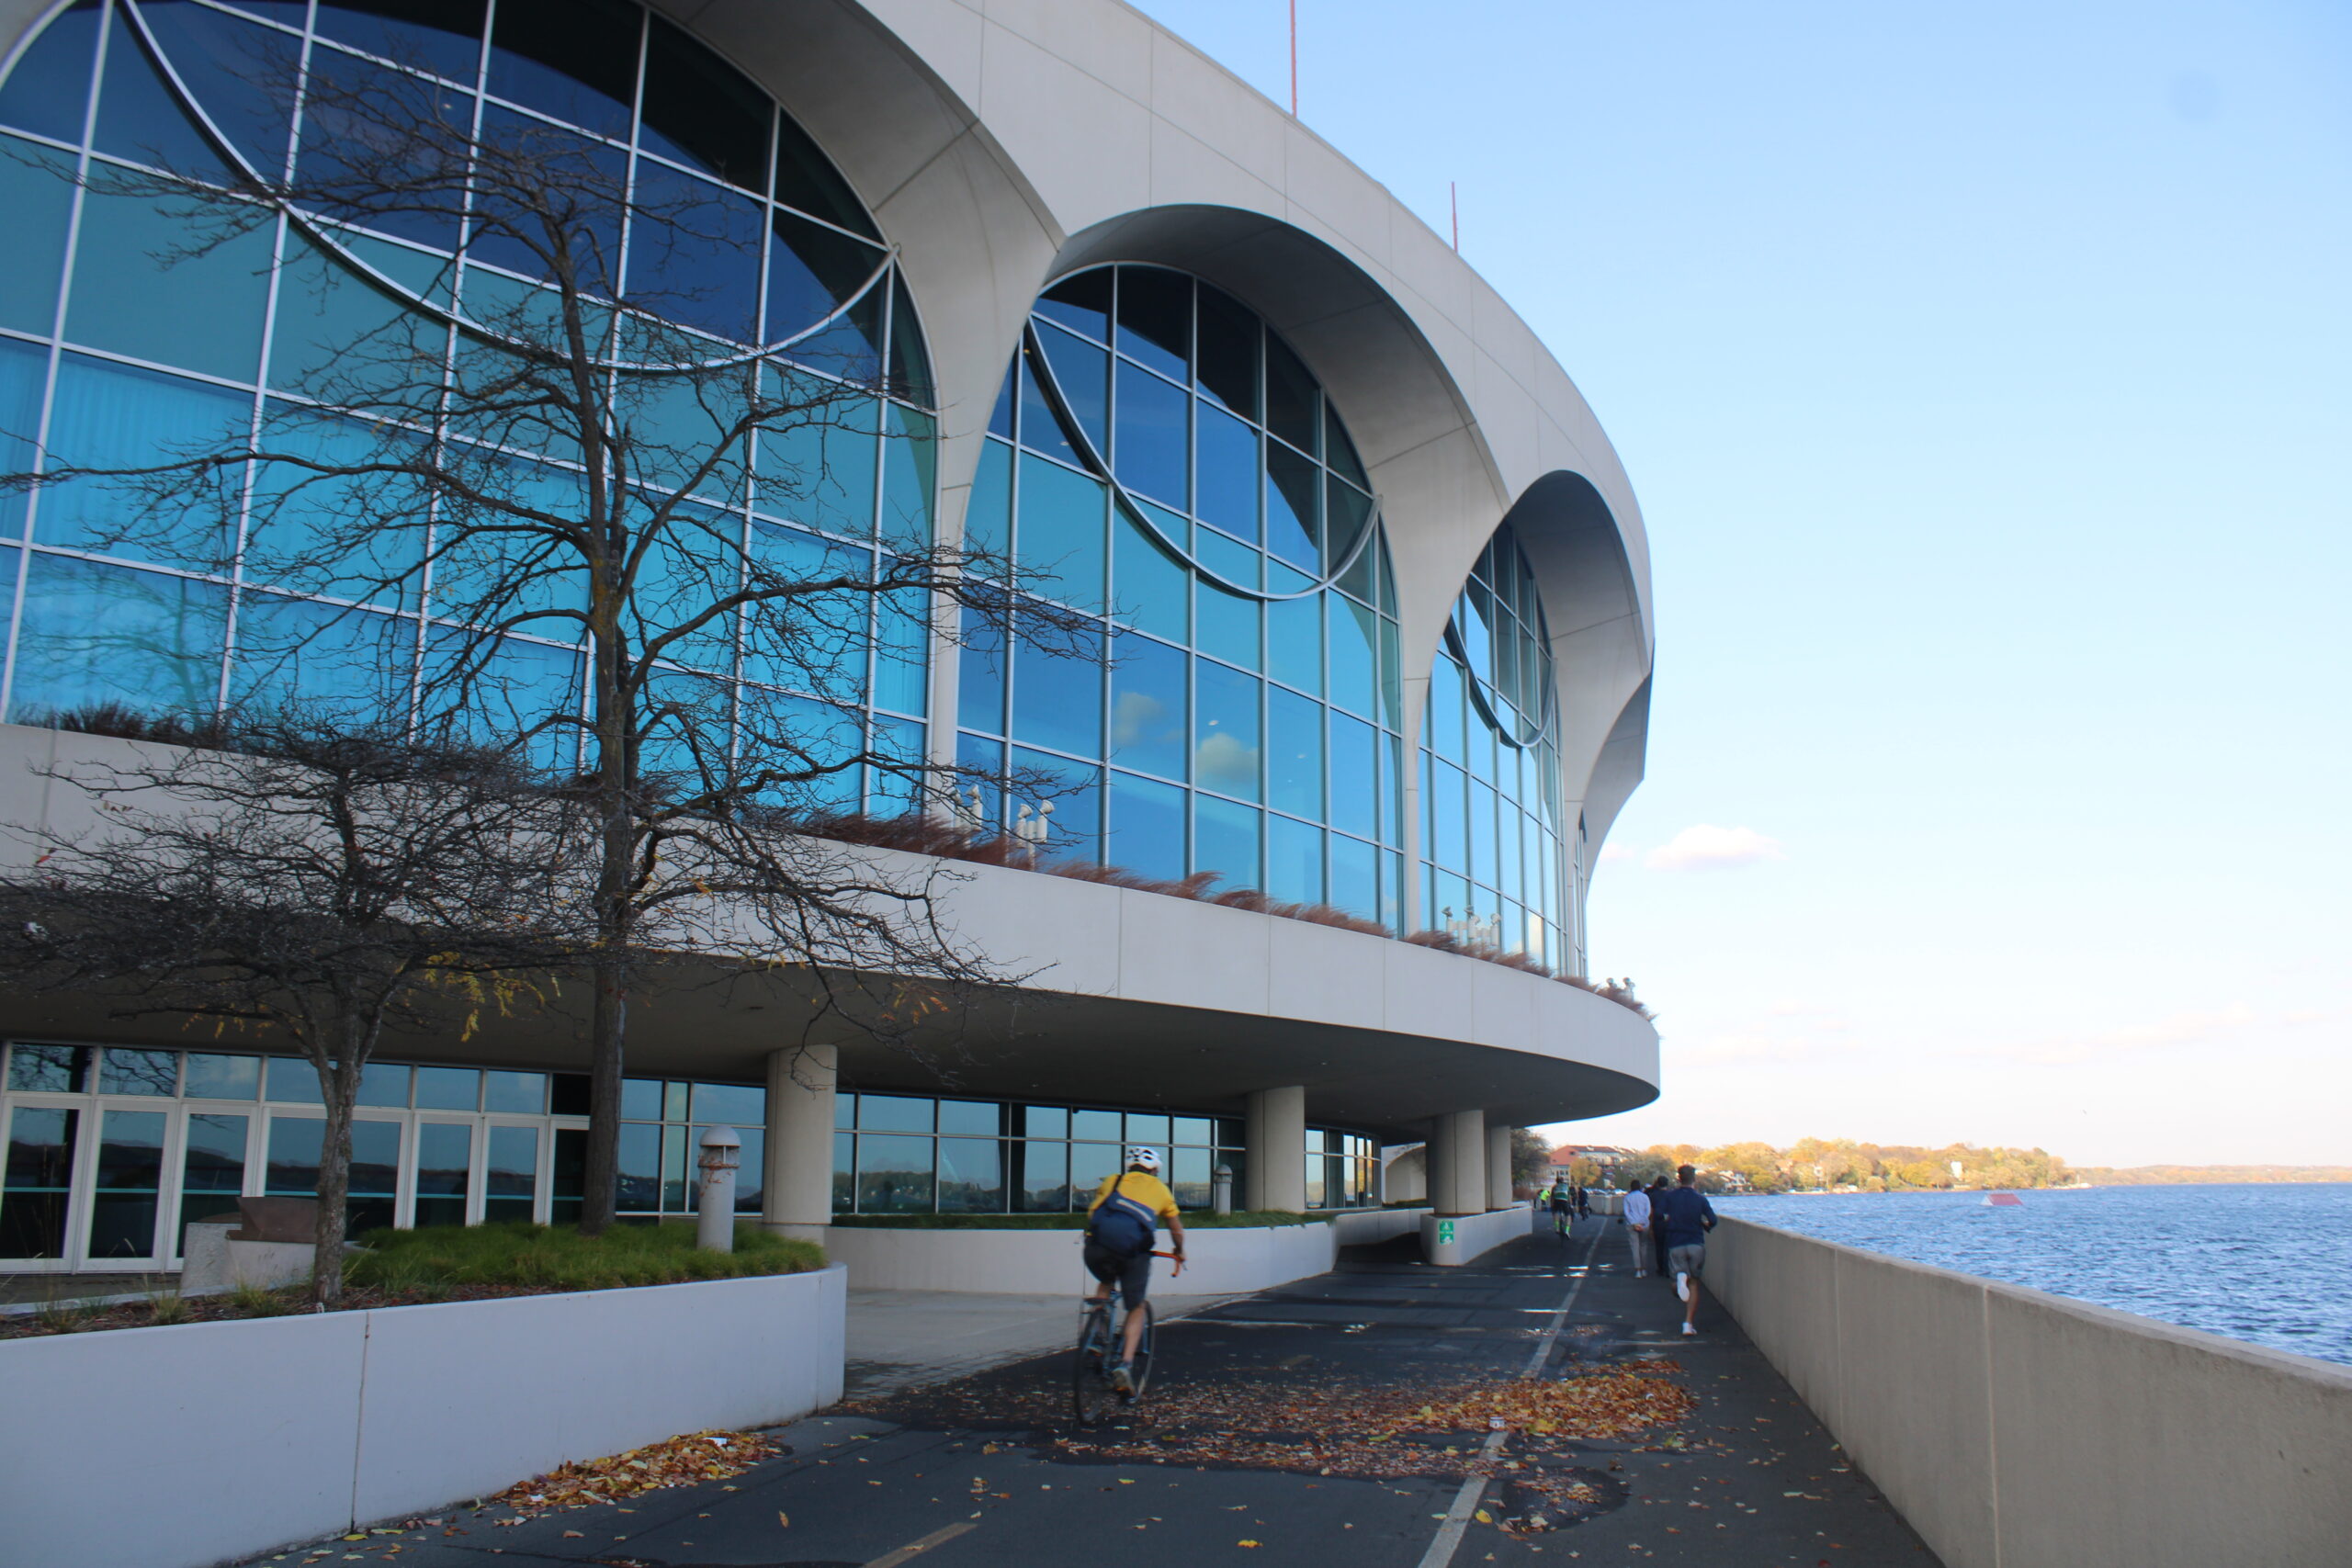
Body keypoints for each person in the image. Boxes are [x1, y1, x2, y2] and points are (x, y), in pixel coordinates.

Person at [1084, 1145, 1186, 1392]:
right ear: (1155, 1170)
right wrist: (1179, 1251)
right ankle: (1125, 1364)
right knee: (1136, 1306)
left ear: (1130, 1166)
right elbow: (1176, 1228)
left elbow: (1094, 1212)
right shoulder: (1161, 1190)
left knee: (1106, 1282)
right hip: (1132, 1253)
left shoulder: (1113, 1180)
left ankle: (1098, 1332)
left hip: (1096, 1247)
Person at [1656, 1164, 1719, 1337]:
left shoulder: (1670, 1197)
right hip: (1696, 1244)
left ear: (1678, 1178)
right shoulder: (1700, 1199)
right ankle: (1688, 1324)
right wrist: (1705, 1225)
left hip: (1676, 1243)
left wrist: (1669, 1218)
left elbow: (1658, 1214)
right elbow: (1713, 1220)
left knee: (1677, 1282)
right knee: (1694, 1284)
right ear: (1694, 1179)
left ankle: (1679, 1282)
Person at [1621, 1175, 1652, 1275]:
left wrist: (1634, 1223)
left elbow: (1627, 1212)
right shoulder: (1645, 1197)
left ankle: (1638, 1270)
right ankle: (1644, 1269)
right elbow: (1648, 1210)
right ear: (1640, 1187)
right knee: (1643, 1245)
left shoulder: (1627, 1197)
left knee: (1635, 1246)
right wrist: (1642, 1221)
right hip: (1644, 1224)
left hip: (1631, 1224)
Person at [1648, 1176, 1672, 1280]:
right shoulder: (1672, 1195)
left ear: (1658, 1184)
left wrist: (1650, 1226)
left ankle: (1660, 1269)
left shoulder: (1653, 1196)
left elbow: (1651, 1212)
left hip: (1658, 1223)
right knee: (1668, 1247)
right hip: (1670, 1223)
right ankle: (1668, 1269)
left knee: (1659, 1247)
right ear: (1667, 1184)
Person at [1545, 1175, 1573, 1239]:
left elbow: (1552, 1197)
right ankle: (1566, 1231)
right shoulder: (1566, 1186)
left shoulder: (1554, 1187)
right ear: (1563, 1181)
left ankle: (1557, 1228)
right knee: (1568, 1216)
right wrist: (1571, 1205)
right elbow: (1569, 1197)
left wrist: (1552, 1206)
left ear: (1556, 1181)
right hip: (1564, 1201)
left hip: (1557, 1201)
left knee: (1556, 1213)